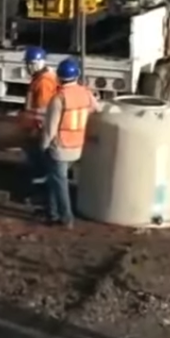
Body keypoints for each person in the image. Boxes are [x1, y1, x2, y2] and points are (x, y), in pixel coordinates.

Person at [40, 58, 98, 227]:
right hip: (77, 146)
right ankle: (52, 213)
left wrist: (43, 146)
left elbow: (50, 129)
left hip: (60, 148)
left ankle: (66, 218)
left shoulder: (59, 99)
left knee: (60, 184)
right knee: (55, 179)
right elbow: (96, 108)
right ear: (77, 75)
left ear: (58, 77)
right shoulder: (85, 93)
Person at [20, 47, 59, 193]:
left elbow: (42, 111)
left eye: (29, 64)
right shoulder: (43, 77)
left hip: (40, 128)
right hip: (42, 126)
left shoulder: (43, 82)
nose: (27, 67)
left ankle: (39, 192)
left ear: (35, 64)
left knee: (39, 162)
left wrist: (34, 130)